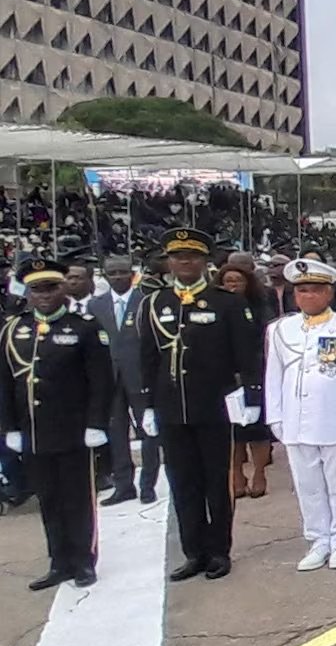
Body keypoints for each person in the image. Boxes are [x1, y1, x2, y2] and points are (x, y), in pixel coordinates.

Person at [137, 227, 264, 582]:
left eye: (192, 256)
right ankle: (193, 552)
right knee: (182, 482)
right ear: (169, 262)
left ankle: (219, 550)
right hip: (171, 408)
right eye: (178, 257)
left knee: (217, 482)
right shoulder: (155, 304)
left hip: (214, 407)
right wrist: (147, 405)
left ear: (206, 261)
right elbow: (148, 358)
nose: (185, 262)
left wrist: (251, 396)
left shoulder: (226, 302)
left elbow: (248, 355)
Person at [1, 257, 112, 590]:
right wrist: (10, 428)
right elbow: (5, 383)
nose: (44, 295)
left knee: (77, 497)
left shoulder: (85, 326)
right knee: (48, 498)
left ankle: (83, 561)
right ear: (28, 294)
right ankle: (59, 561)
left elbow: (101, 380)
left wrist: (96, 422)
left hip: (74, 429)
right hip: (33, 430)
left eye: (51, 288)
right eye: (37, 290)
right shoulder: (13, 329)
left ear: (63, 288)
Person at [264, 259, 336, 571]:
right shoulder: (279, 329)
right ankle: (318, 539)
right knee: (308, 484)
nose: (307, 296)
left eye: (314, 290)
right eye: (301, 290)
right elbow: (274, 376)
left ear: (328, 293)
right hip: (295, 420)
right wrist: (274, 416)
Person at [87, 255, 161, 505]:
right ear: (105, 276)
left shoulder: (146, 301)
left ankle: (148, 484)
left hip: (140, 376)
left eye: (122, 272)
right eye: (112, 273)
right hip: (109, 379)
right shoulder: (96, 305)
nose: (118, 277)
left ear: (133, 273)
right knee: (116, 432)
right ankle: (123, 485)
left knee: (148, 430)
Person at [220, 262, 279, 499]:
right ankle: (236, 474)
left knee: (257, 430)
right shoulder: (216, 305)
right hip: (224, 375)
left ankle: (259, 473)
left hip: (257, 372)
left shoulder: (260, 305)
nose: (233, 285)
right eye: (228, 281)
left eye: (238, 280)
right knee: (231, 430)